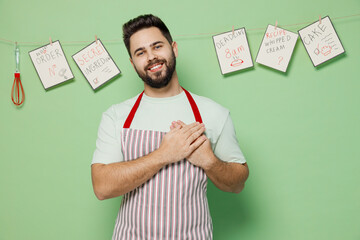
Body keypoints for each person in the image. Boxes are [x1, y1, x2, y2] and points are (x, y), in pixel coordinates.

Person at [91, 14, 249, 240]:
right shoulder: (116, 116)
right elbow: (102, 187)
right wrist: (163, 155)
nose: (151, 57)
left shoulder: (213, 113)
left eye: (157, 46)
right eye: (140, 52)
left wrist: (209, 162)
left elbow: (238, 183)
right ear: (132, 62)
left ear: (173, 48)